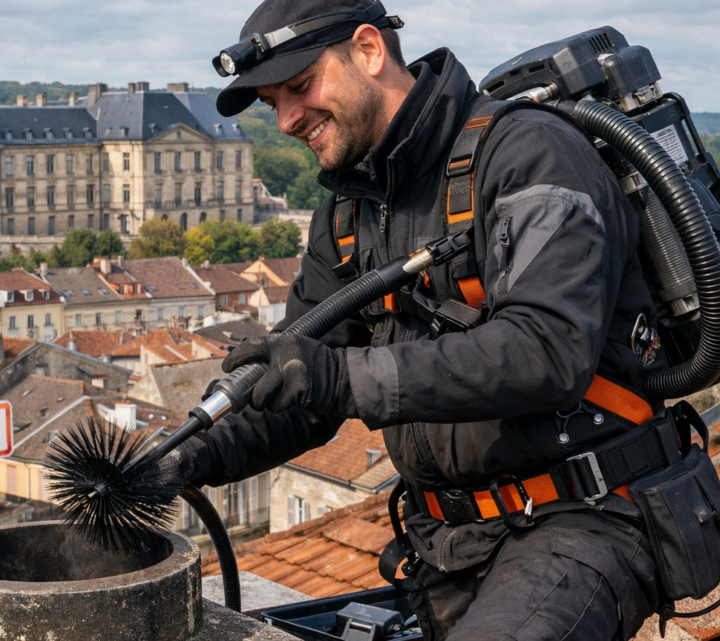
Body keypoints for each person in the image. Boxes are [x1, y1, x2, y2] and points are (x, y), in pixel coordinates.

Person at [171, 1, 670, 639]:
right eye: (274, 103)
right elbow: (300, 392)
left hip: (583, 520)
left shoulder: (529, 153)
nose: (288, 119)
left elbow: (547, 351)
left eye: (299, 86)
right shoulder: (347, 213)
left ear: (370, 50)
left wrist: (339, 378)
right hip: (446, 545)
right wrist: (186, 457)